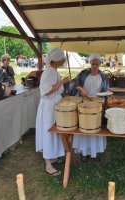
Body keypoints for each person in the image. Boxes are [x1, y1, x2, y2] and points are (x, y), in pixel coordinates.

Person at [36, 47, 70, 176]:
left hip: (53, 104)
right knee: (48, 131)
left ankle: (53, 156)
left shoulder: (53, 70)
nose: (64, 59)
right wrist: (62, 81)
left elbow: (54, 88)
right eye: (62, 57)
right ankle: (48, 165)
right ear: (56, 59)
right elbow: (47, 90)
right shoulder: (49, 71)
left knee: (54, 130)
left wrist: (63, 82)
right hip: (48, 106)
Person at [71, 53, 109, 161]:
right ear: (90, 63)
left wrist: (105, 96)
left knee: (95, 128)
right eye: (93, 64)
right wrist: (80, 88)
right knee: (84, 127)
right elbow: (74, 83)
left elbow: (106, 91)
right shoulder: (83, 73)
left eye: (97, 64)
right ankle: (84, 152)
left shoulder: (103, 76)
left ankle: (95, 152)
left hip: (97, 104)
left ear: (100, 64)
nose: (95, 66)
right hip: (84, 104)